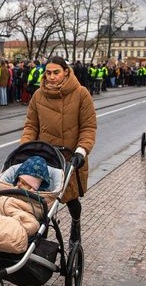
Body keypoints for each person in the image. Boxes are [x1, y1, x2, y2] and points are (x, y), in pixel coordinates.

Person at [20, 56, 97, 248]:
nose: (52, 77)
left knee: (71, 199)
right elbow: (31, 125)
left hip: (71, 156)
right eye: (48, 73)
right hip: (45, 156)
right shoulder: (38, 95)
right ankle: (40, 237)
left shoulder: (81, 94)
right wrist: (25, 146)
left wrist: (82, 150)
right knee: (41, 200)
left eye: (56, 72)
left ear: (66, 72)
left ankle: (76, 224)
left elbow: (88, 127)